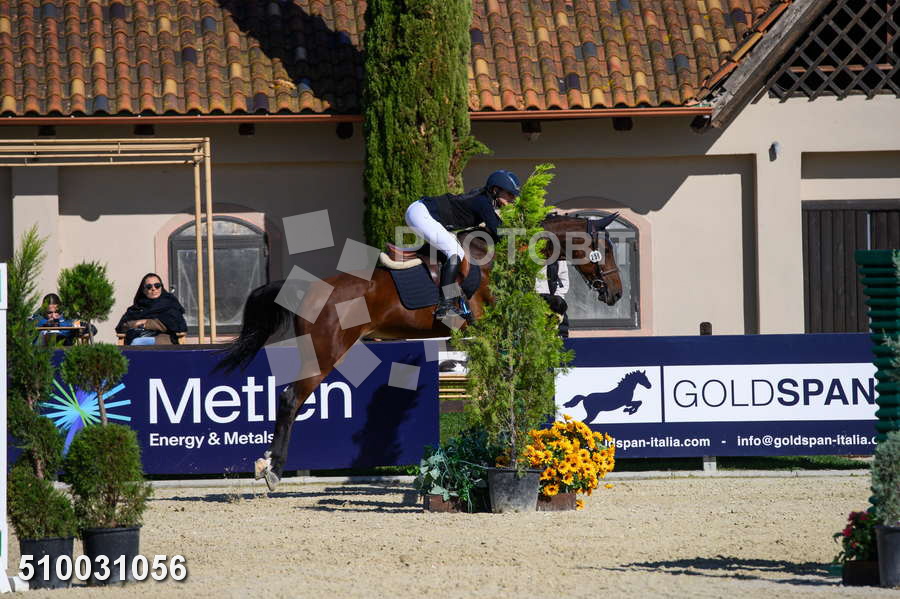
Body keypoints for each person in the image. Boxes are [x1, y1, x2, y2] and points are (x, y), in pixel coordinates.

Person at [405, 170, 521, 319]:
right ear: (495, 190)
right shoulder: (483, 202)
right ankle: (445, 305)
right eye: (510, 195)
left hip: (424, 212)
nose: (513, 199)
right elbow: (500, 233)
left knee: (448, 249)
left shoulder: (485, 199)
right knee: (456, 252)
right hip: (421, 213)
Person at [115, 273, 187, 345]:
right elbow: (122, 326)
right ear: (143, 290)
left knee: (137, 342)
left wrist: (146, 323)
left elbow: (176, 324)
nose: (153, 289)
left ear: (161, 287)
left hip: (163, 339)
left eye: (157, 285)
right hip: (137, 336)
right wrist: (137, 324)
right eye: (149, 287)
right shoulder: (137, 308)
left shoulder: (170, 303)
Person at [537, 259, 570, 339]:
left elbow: (563, 277)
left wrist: (558, 299)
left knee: (561, 335)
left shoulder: (558, 256)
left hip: (553, 301)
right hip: (533, 300)